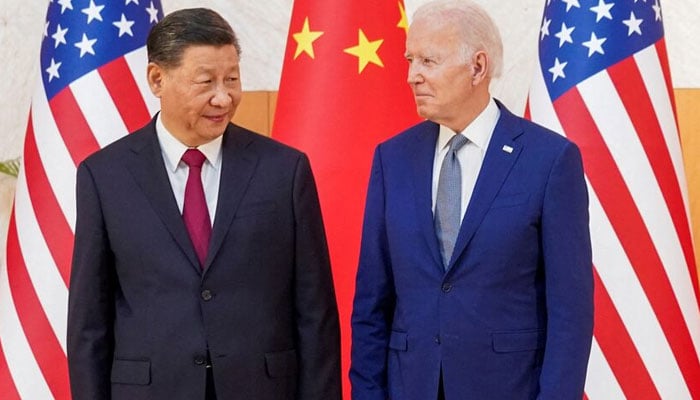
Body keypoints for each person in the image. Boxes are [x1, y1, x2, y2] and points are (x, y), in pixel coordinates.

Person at [67, 8, 341, 400]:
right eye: (206, 81)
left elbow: (316, 314)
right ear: (157, 79)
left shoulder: (284, 170)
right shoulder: (103, 176)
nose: (223, 97)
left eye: (232, 79)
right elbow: (88, 324)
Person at [349, 1, 594, 399]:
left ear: (477, 68)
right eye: (411, 59)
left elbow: (570, 311)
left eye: (429, 60)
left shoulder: (549, 160)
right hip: (410, 386)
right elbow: (372, 302)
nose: (413, 76)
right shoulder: (392, 159)